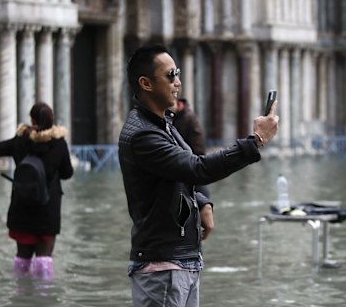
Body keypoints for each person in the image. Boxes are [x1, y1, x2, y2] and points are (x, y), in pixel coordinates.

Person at [119, 44, 279, 307]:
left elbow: (182, 171)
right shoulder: (142, 135)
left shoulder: (163, 124)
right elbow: (197, 167)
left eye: (178, 74)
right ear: (146, 83)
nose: (178, 83)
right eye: (171, 75)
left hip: (181, 262)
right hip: (162, 267)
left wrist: (203, 201)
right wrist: (256, 141)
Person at [0, 102, 74, 280]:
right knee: (44, 259)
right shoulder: (59, 144)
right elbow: (67, 173)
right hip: (48, 207)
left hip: (23, 204)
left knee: (22, 258)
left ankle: (21, 296)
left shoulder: (21, 140)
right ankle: (44, 297)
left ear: (33, 120)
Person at [172, 98, 210, 198]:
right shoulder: (179, 117)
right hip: (186, 162)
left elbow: (197, 142)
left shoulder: (188, 117)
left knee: (199, 191)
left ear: (179, 104)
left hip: (191, 161)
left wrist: (195, 158)